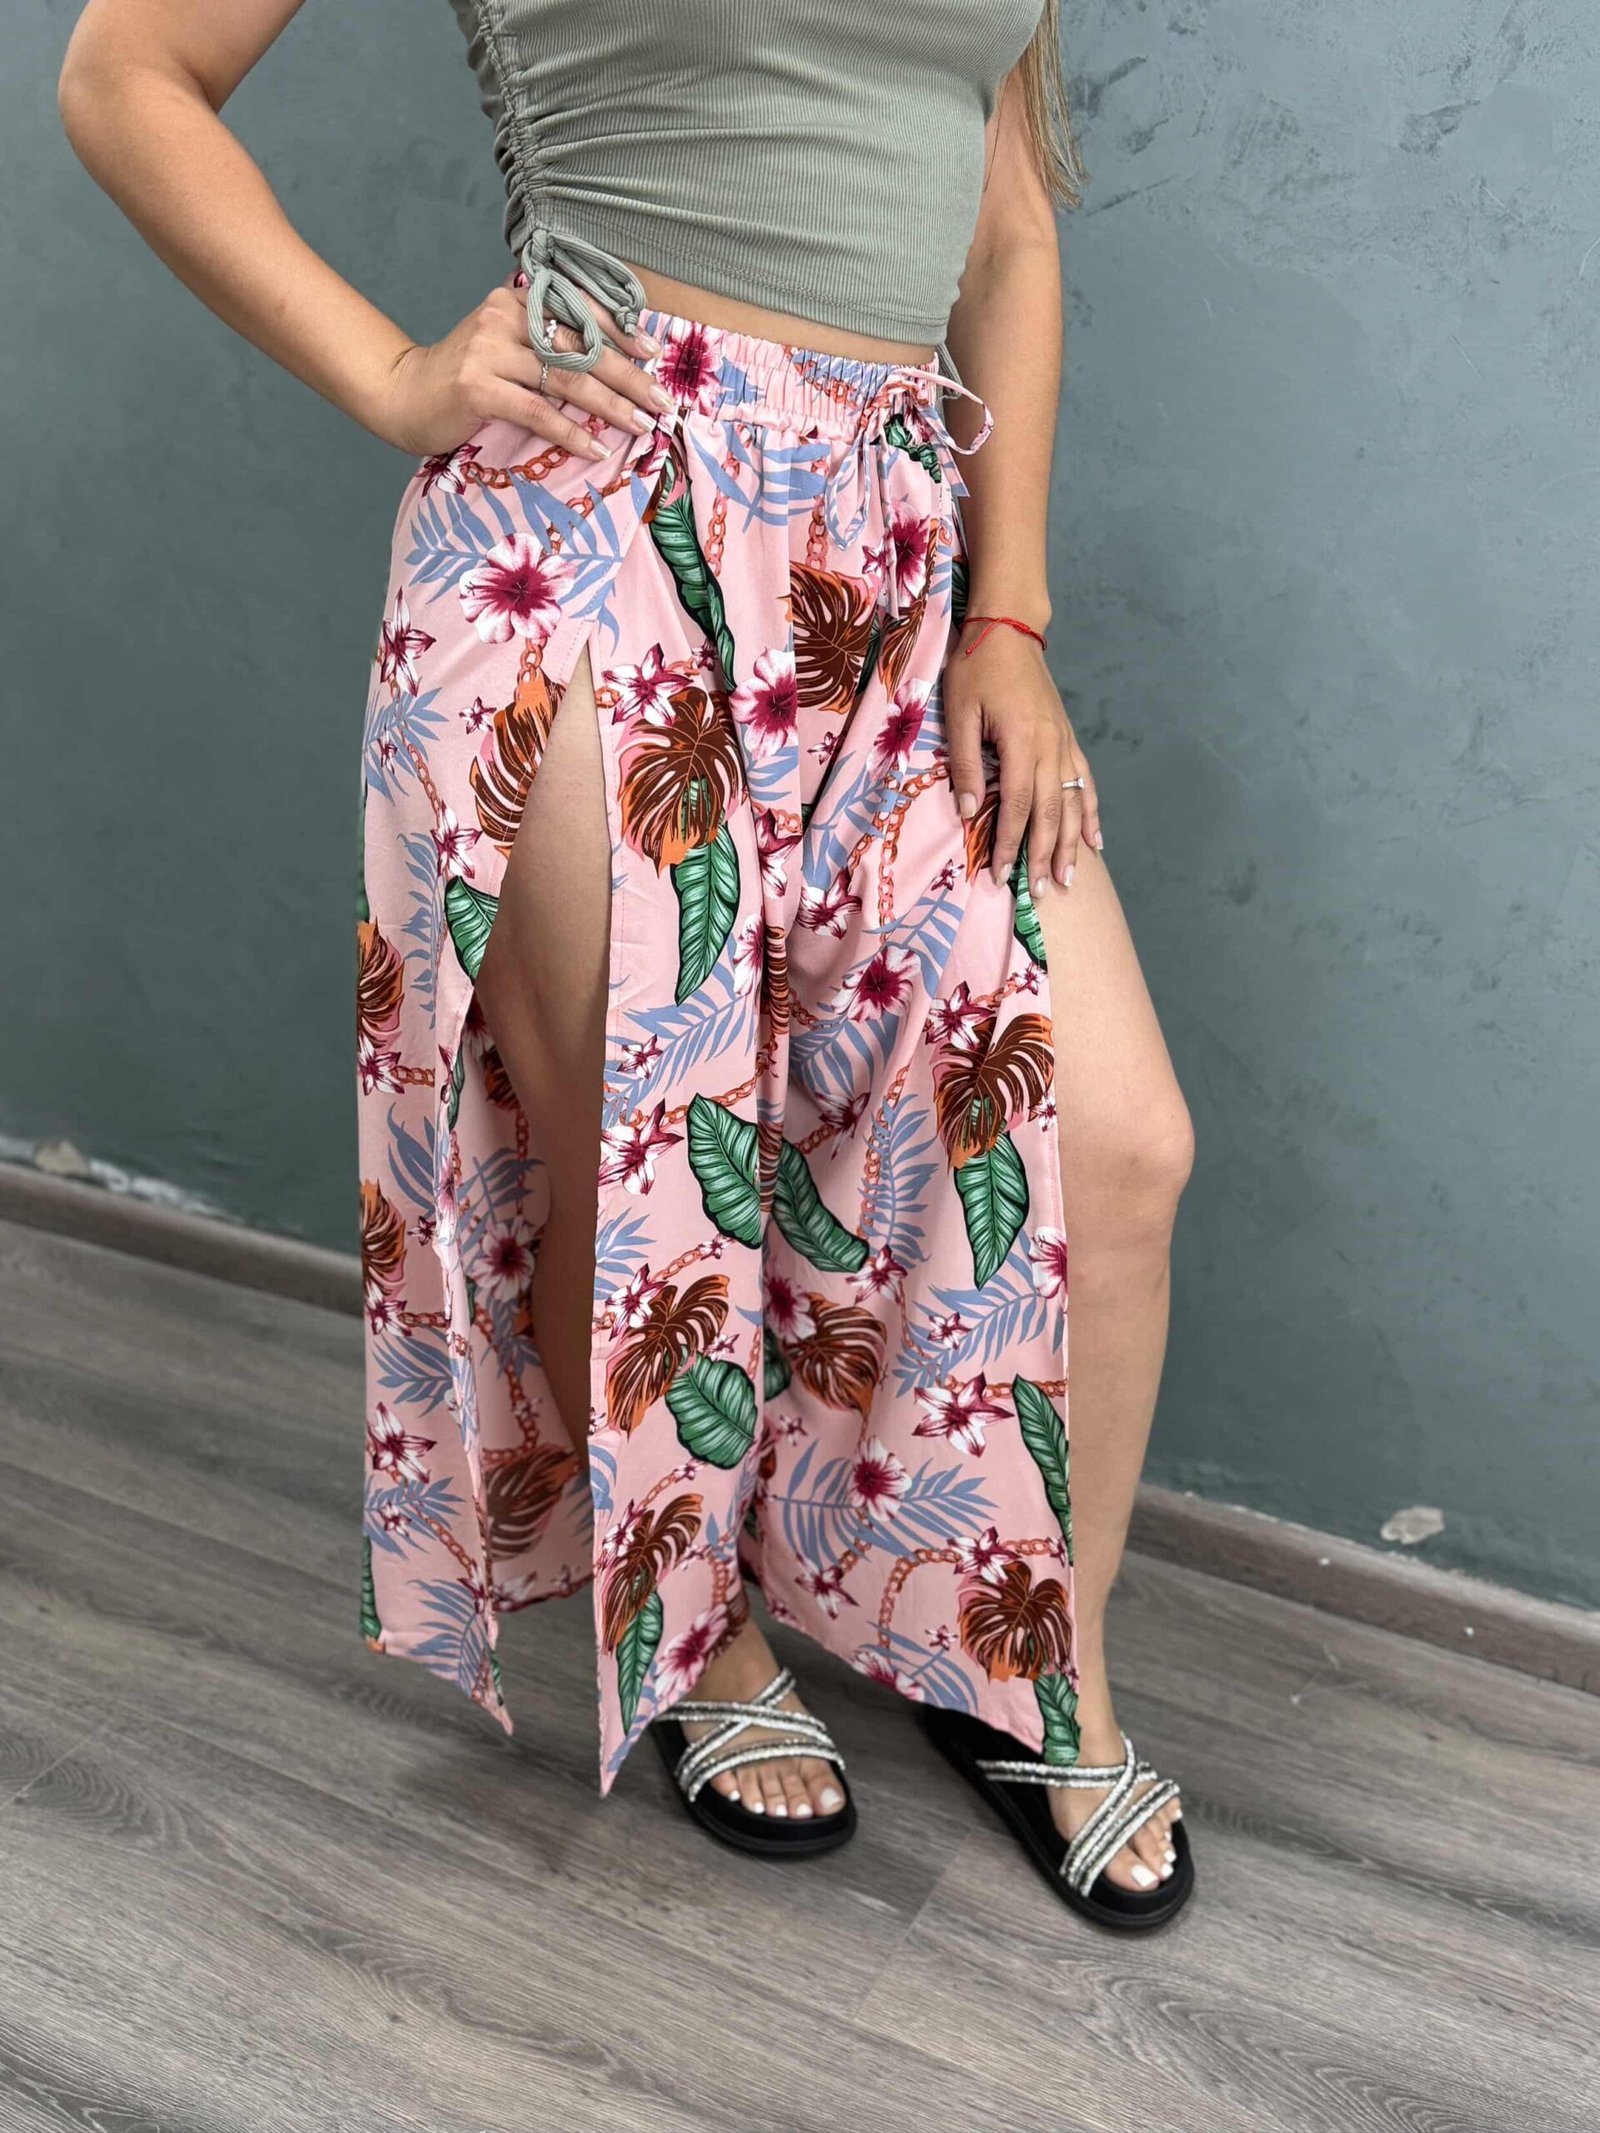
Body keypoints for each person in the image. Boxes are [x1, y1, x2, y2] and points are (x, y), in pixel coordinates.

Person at [60, 0, 1196, 1928]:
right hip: (596, 517)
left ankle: (1039, 1664)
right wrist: (398, 374)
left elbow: (1006, 230)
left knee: (1117, 1139)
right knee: (645, 1145)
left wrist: (1007, 615)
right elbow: (122, 76)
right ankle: (701, 1633)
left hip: (893, 562)